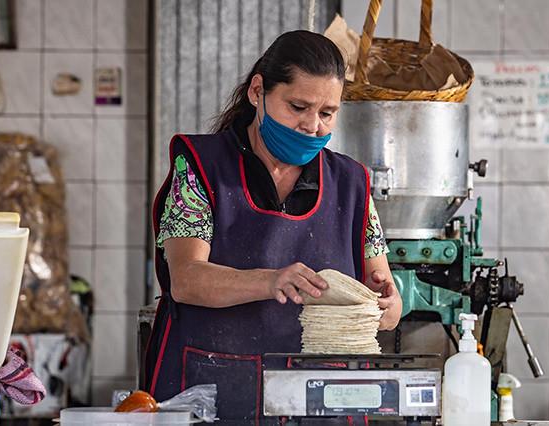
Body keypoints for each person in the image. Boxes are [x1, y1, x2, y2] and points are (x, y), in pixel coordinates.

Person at [144, 30, 403, 424]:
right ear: (258, 92)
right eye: (298, 106)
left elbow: (384, 294)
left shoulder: (352, 184)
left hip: (321, 402)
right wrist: (270, 281)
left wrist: (387, 304)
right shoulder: (200, 167)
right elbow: (186, 279)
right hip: (211, 395)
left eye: (327, 113)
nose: (312, 125)